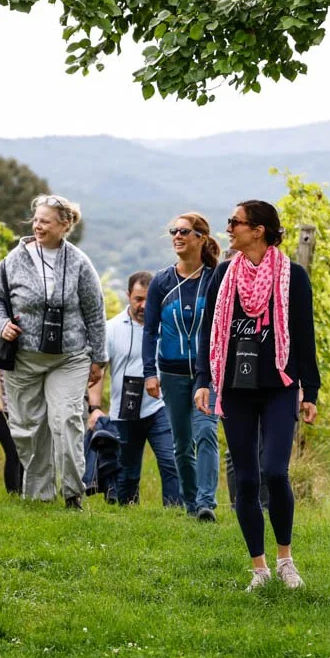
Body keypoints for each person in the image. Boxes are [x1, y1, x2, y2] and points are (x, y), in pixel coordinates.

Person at [195, 200, 320, 590]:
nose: (229, 228)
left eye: (235, 222)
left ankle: (285, 559)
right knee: (246, 479)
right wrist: (204, 378)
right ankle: (259, 568)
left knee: (274, 471)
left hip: (280, 385)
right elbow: (207, 332)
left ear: (259, 230)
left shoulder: (293, 278)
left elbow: (304, 337)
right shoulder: (223, 276)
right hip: (235, 387)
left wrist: (310, 391)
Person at [0, 194, 107, 509]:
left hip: (70, 357)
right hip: (24, 358)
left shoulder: (79, 261)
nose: (38, 226)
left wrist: (99, 358)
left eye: (46, 221)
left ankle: (73, 494)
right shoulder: (14, 259)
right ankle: (39, 495)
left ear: (65, 225)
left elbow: (95, 311)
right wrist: (0, 324)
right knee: (27, 429)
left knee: (66, 420)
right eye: (36, 220)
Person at [143, 212, 222, 520]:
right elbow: (150, 331)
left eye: (184, 231)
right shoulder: (162, 281)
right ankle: (191, 505)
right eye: (173, 230)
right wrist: (150, 372)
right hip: (172, 373)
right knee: (181, 444)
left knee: (206, 433)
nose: (177, 235)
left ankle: (206, 503)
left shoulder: (215, 277)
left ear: (201, 237)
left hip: (209, 375)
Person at [90, 271, 182, 507]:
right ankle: (128, 513)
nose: (144, 306)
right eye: (138, 299)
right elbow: (97, 372)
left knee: (171, 462)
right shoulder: (111, 329)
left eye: (149, 300)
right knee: (127, 471)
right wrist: (95, 408)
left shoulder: (168, 327)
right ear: (128, 295)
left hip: (159, 406)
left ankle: (176, 513)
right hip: (124, 411)